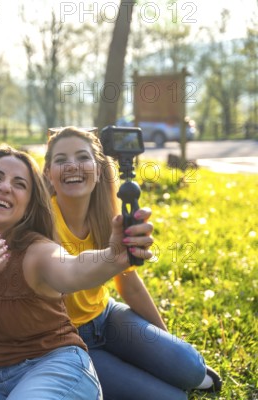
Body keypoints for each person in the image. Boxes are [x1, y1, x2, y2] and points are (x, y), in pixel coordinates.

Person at [0, 147, 155, 399]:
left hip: (55, 366)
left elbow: (74, 269)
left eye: (19, 184)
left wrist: (111, 257)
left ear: (29, 205)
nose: (5, 187)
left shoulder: (36, 251)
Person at [43, 126, 222, 399]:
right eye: (61, 160)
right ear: (48, 174)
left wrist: (165, 345)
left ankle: (185, 372)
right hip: (67, 342)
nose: (72, 166)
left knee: (190, 366)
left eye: (82, 157)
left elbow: (129, 283)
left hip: (106, 317)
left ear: (99, 169)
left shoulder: (107, 216)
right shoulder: (42, 223)